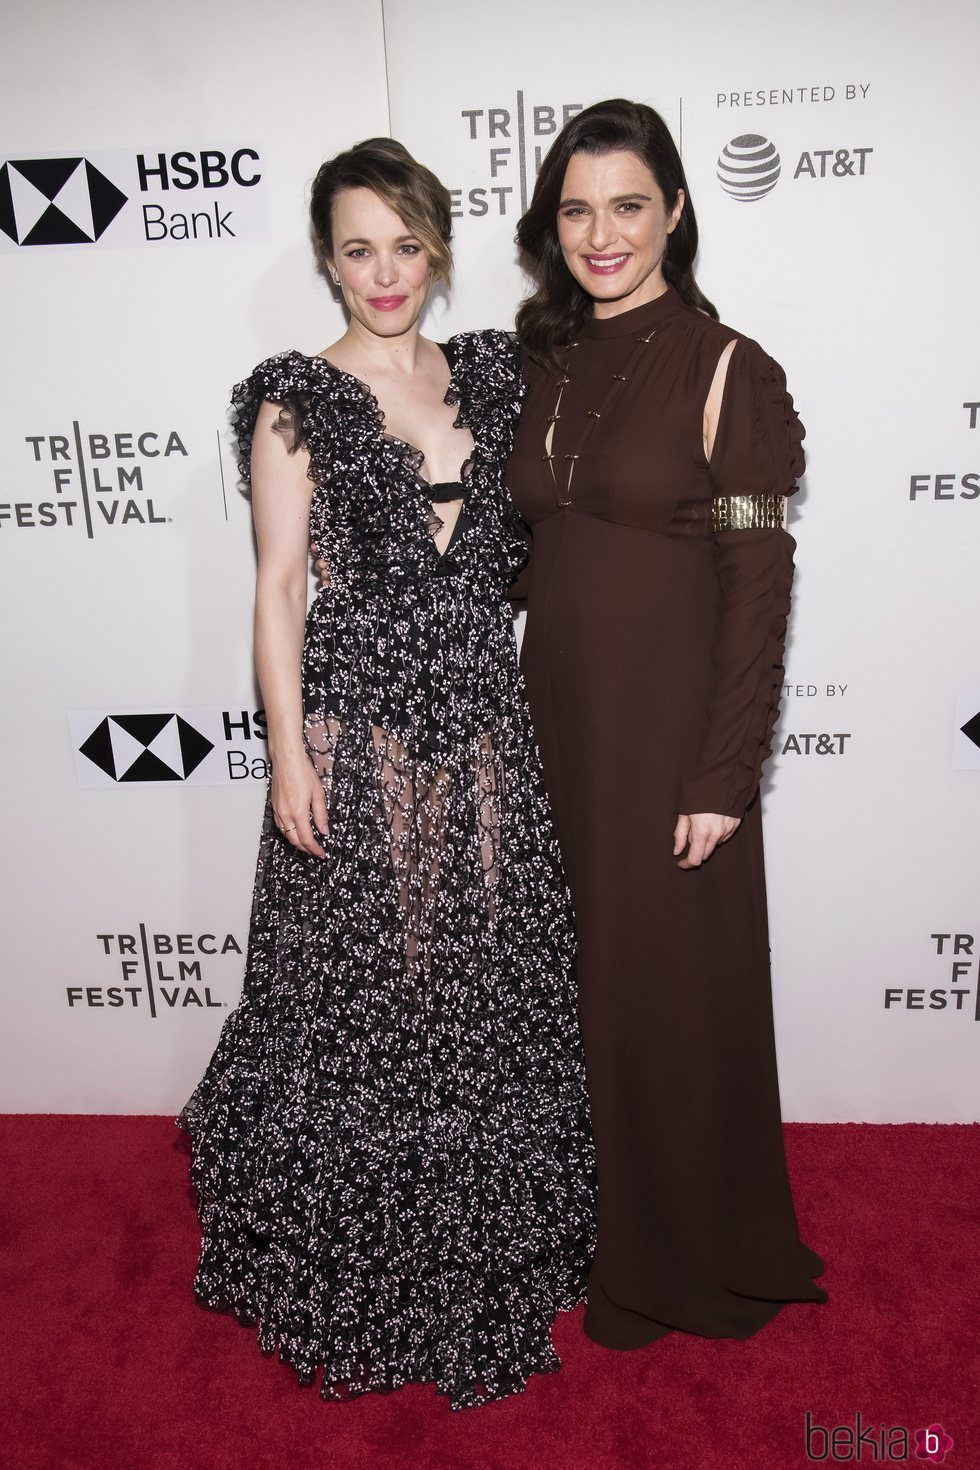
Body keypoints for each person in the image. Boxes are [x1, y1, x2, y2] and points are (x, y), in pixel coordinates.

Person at [177, 137, 595, 1410]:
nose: (384, 272)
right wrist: (284, 751)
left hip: (482, 726)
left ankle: (487, 1239)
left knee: (481, 984)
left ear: (437, 247)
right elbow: (278, 587)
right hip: (358, 736)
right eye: (358, 248)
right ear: (326, 257)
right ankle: (373, 1252)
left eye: (406, 244)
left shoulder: (493, 377)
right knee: (375, 994)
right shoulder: (294, 396)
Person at [506, 98, 828, 1349]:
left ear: (675, 212)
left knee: (667, 997)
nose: (601, 234)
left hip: (669, 740)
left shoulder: (727, 367)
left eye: (627, 205)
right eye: (576, 208)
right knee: (576, 994)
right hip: (551, 726)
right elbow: (530, 555)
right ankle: (593, 1235)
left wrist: (723, 770)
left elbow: (758, 587)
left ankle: (682, 1253)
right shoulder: (534, 362)